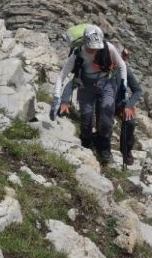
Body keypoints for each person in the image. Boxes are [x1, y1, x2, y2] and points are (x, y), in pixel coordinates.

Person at [50, 25, 126, 164]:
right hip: (86, 86)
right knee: (86, 116)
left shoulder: (108, 48)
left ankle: (104, 147)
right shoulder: (77, 53)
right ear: (85, 42)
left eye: (97, 47)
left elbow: (121, 66)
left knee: (106, 113)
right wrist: (57, 98)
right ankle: (86, 142)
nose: (95, 50)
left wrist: (123, 89)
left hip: (106, 84)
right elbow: (62, 76)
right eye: (92, 47)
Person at [114, 46, 143, 166]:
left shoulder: (126, 69)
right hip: (106, 101)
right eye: (124, 55)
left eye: (127, 56)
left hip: (121, 103)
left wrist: (129, 105)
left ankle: (126, 151)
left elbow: (137, 90)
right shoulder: (107, 65)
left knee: (130, 123)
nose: (126, 58)